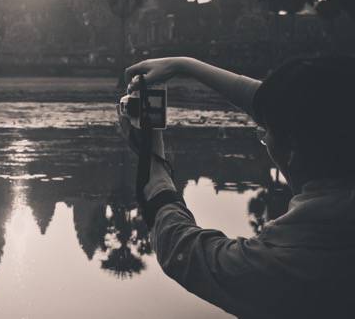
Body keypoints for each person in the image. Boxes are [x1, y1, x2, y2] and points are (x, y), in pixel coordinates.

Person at [119, 56, 355, 319]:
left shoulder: (289, 259)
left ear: (292, 152)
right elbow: (300, 108)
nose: (265, 138)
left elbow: (183, 251)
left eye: (266, 134)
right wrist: (184, 66)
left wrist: (152, 159)